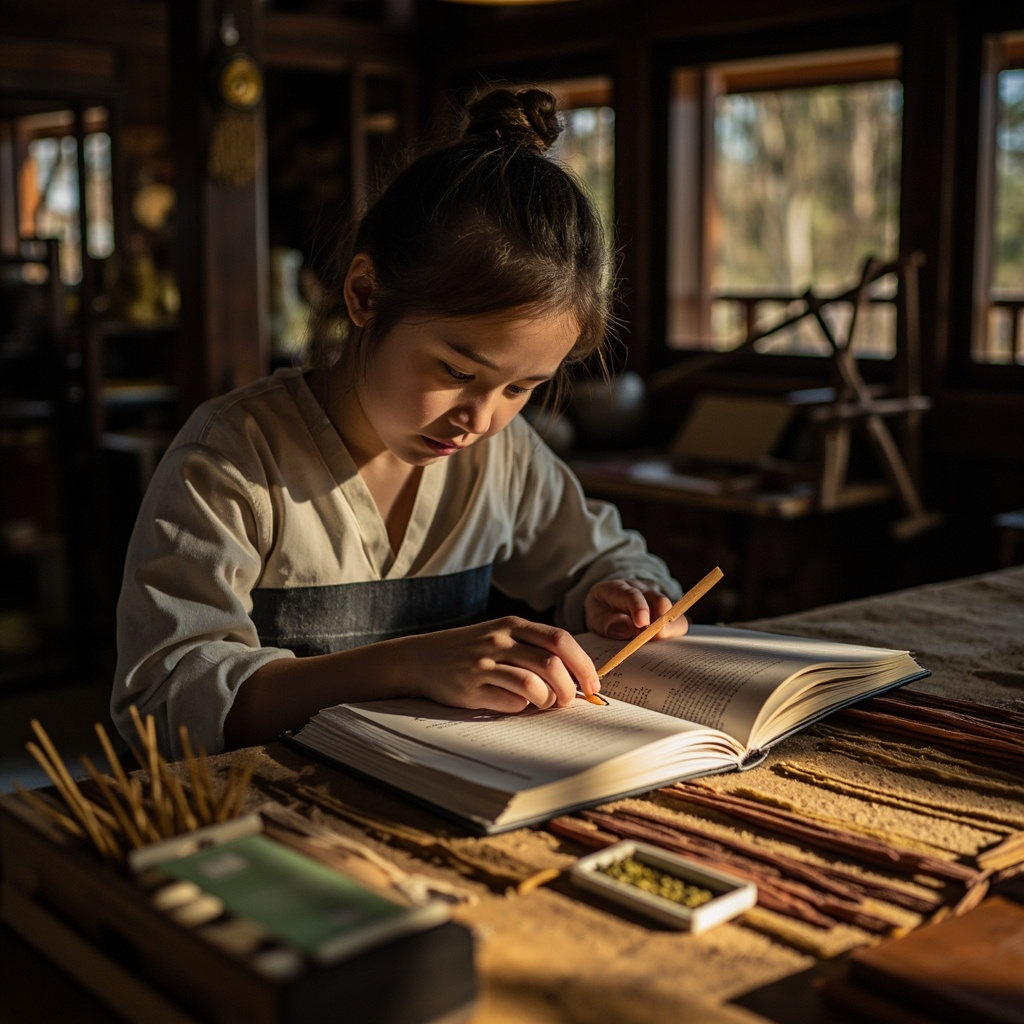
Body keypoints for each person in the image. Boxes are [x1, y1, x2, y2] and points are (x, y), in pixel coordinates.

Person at [111, 86, 686, 759]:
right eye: (456, 371)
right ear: (364, 294)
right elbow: (164, 696)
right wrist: (407, 664)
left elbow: (605, 556)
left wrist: (619, 594)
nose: (481, 418)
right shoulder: (235, 457)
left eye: (522, 388)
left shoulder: (501, 460)